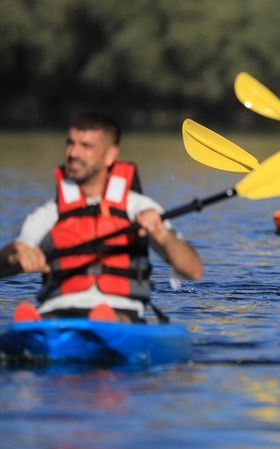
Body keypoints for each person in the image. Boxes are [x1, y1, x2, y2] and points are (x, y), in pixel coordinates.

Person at [0, 112, 203, 323]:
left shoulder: (139, 208)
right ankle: (32, 325)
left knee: (107, 319)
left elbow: (193, 271)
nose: (73, 153)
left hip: (119, 316)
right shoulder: (49, 213)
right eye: (71, 143)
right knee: (44, 320)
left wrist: (162, 235)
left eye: (86, 147)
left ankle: (94, 322)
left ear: (110, 155)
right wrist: (16, 253)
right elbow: (11, 255)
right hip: (57, 314)